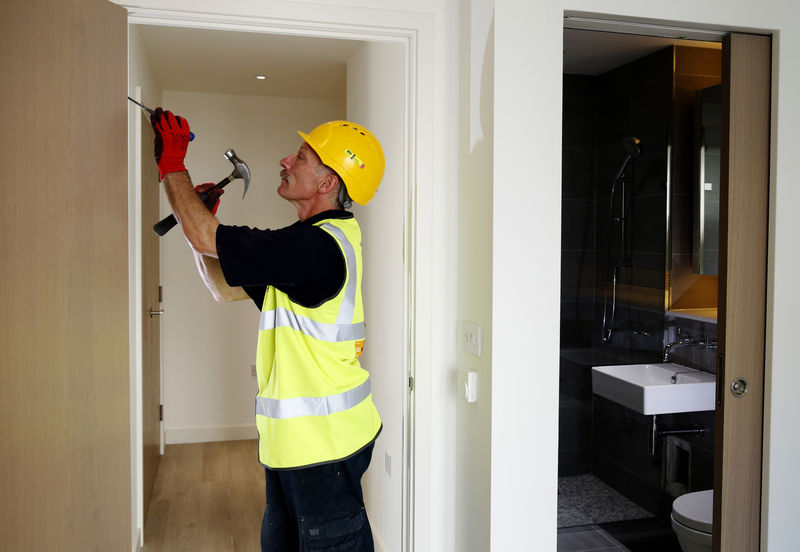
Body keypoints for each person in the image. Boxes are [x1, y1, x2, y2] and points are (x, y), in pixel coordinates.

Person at [150, 108, 385, 551]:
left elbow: (207, 237)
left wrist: (173, 165)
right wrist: (195, 223)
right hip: (299, 447)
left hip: (324, 449)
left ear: (327, 182)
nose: (284, 161)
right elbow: (223, 286)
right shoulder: (310, 245)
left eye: (299, 157)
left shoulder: (314, 248)